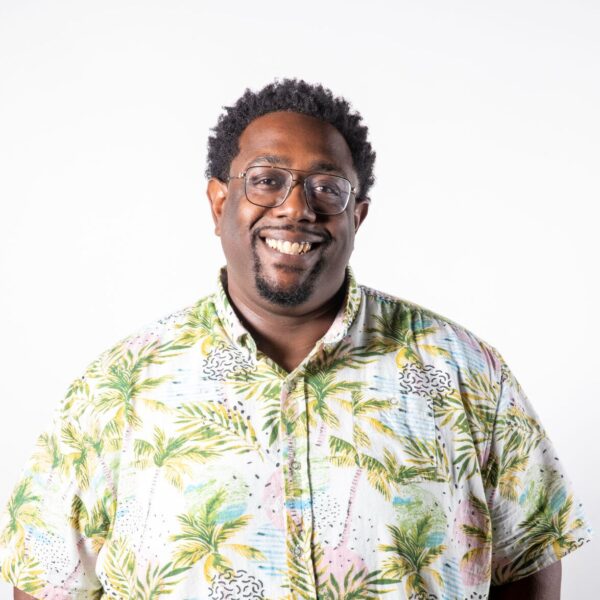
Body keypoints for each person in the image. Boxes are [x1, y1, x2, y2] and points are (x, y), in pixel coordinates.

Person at [1, 79, 592, 600]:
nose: (295, 209)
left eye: (326, 188)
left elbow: (528, 562)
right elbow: (48, 581)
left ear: (357, 215)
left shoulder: (466, 371)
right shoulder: (117, 388)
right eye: (267, 181)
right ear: (219, 201)